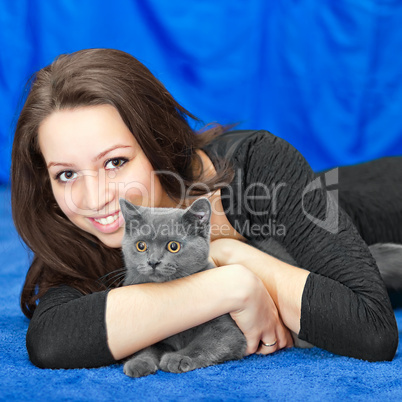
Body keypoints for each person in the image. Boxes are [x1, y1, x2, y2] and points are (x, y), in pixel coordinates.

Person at [11, 48, 400, 369]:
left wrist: (231, 254)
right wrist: (229, 285)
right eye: (66, 174)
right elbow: (51, 341)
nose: (94, 198)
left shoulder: (259, 170)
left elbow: (372, 330)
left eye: (115, 162)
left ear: (155, 143)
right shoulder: (81, 232)